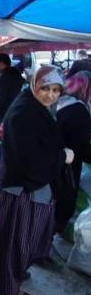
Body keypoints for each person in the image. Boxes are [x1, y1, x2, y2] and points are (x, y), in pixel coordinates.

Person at [0, 66, 71, 295]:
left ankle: (15, 275)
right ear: (35, 85)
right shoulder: (24, 113)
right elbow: (30, 158)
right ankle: (9, 289)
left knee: (21, 240)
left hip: (26, 186)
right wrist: (62, 157)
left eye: (56, 90)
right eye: (45, 88)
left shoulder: (32, 107)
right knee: (15, 242)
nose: (50, 95)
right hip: (22, 188)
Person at [54, 72, 91, 234]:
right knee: (62, 205)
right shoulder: (78, 110)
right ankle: (45, 246)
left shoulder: (55, 101)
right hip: (67, 166)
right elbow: (82, 146)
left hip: (48, 162)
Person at [0, 53, 25, 177]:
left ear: (2, 63)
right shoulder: (17, 76)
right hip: (11, 114)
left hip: (0, 115)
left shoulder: (4, 77)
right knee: (3, 143)